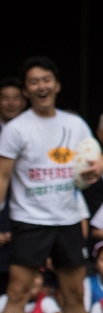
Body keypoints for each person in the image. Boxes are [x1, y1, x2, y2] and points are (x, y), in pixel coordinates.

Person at [0, 56, 103, 313]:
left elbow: (96, 157)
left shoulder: (74, 124)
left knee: (73, 292)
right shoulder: (16, 128)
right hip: (29, 219)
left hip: (67, 218)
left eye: (46, 80)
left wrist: (102, 166)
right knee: (18, 291)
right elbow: (3, 177)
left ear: (57, 85)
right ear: (26, 89)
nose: (41, 86)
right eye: (34, 81)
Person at [0, 77, 27, 296]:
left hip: (28, 219)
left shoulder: (34, 129)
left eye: (15, 98)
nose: (10, 103)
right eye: (5, 98)